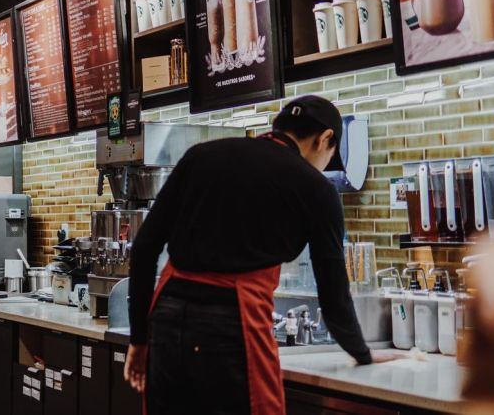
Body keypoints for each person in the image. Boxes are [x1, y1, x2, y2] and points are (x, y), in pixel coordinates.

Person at [123, 95, 405, 415]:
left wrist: (140, 338)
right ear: (325, 138)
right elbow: (333, 294)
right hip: (232, 320)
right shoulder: (317, 188)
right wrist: (362, 352)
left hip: (168, 315)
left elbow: (144, 246)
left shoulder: (201, 155)